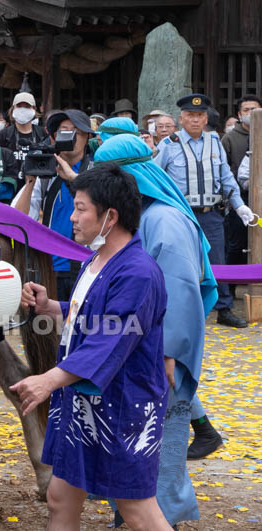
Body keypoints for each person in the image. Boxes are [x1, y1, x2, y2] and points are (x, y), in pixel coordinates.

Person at [11, 164, 170, 531]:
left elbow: (108, 342)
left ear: (110, 216)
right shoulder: (96, 259)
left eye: (81, 208)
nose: (72, 217)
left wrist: (48, 380)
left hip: (122, 407)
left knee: (137, 510)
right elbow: (91, 316)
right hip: (81, 403)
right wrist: (52, 308)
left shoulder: (138, 273)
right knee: (60, 497)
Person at [96, 136, 220, 524]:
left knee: (156, 455)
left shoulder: (162, 219)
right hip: (139, 354)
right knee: (134, 451)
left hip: (159, 358)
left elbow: (180, 293)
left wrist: (167, 353)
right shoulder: (143, 217)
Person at [154, 93, 253, 328]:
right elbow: (156, 178)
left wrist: (240, 206)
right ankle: (180, 311)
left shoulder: (215, 141)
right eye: (190, 115)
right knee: (180, 262)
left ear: (206, 117)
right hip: (181, 214)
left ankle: (224, 308)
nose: (195, 120)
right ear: (181, 118)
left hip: (211, 213)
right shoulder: (168, 145)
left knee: (217, 260)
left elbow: (226, 178)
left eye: (200, 115)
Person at [13, 109, 95, 300]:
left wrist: (73, 179)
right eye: (63, 131)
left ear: (87, 137)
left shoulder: (96, 170)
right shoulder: (45, 172)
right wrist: (30, 181)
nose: (70, 137)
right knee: (50, 324)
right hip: (51, 265)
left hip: (88, 263)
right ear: (55, 137)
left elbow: (101, 207)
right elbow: (18, 217)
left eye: (76, 131)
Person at [222, 95, 260, 266]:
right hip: (239, 197)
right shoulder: (230, 138)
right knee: (237, 241)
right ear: (239, 115)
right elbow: (223, 168)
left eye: (255, 109)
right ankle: (232, 285)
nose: (250, 113)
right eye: (246, 110)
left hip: (261, 194)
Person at [0, 92, 47, 171]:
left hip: (37, 181)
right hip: (11, 181)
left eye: (27, 106)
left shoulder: (42, 134)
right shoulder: (4, 135)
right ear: (13, 108)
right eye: (19, 106)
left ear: (34, 109)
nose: (23, 110)